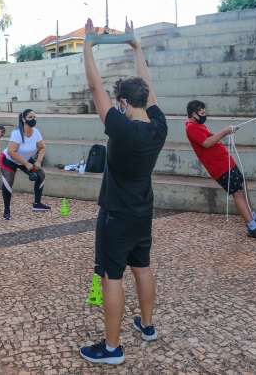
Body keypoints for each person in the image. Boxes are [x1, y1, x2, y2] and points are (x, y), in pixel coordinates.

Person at [79, 19, 167, 365]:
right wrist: (137, 48)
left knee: (111, 275)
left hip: (116, 214)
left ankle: (112, 348)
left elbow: (94, 86)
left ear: (124, 103)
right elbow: (150, 89)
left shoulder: (120, 127)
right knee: (142, 267)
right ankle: (147, 326)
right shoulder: (159, 126)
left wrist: (88, 45)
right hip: (143, 211)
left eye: (119, 102)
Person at [185, 100, 256, 240]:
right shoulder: (191, 127)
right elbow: (206, 143)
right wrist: (225, 131)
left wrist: (227, 132)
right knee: (237, 193)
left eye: (204, 112)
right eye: (202, 113)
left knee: (242, 187)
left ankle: (253, 217)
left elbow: (210, 139)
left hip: (226, 163)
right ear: (193, 113)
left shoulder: (198, 125)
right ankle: (252, 227)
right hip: (220, 168)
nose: (204, 114)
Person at [0, 109, 50, 220]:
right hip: (9, 160)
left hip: (24, 159)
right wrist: (26, 164)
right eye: (30, 117)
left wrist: (38, 161)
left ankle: (37, 204)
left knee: (41, 175)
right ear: (23, 119)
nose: (33, 119)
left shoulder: (36, 132)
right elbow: (11, 152)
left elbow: (42, 148)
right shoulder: (17, 133)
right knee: (8, 183)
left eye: (35, 117)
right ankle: (6, 210)